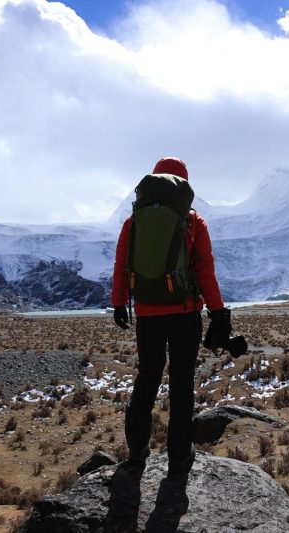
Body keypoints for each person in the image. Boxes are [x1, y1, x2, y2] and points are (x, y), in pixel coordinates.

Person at [111, 156, 230, 478]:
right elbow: (205, 271)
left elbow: (122, 265)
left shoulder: (133, 221)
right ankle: (179, 456)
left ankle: (137, 454)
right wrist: (218, 312)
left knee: (146, 378)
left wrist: (119, 303)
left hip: (147, 315)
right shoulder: (193, 221)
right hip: (184, 314)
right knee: (181, 383)